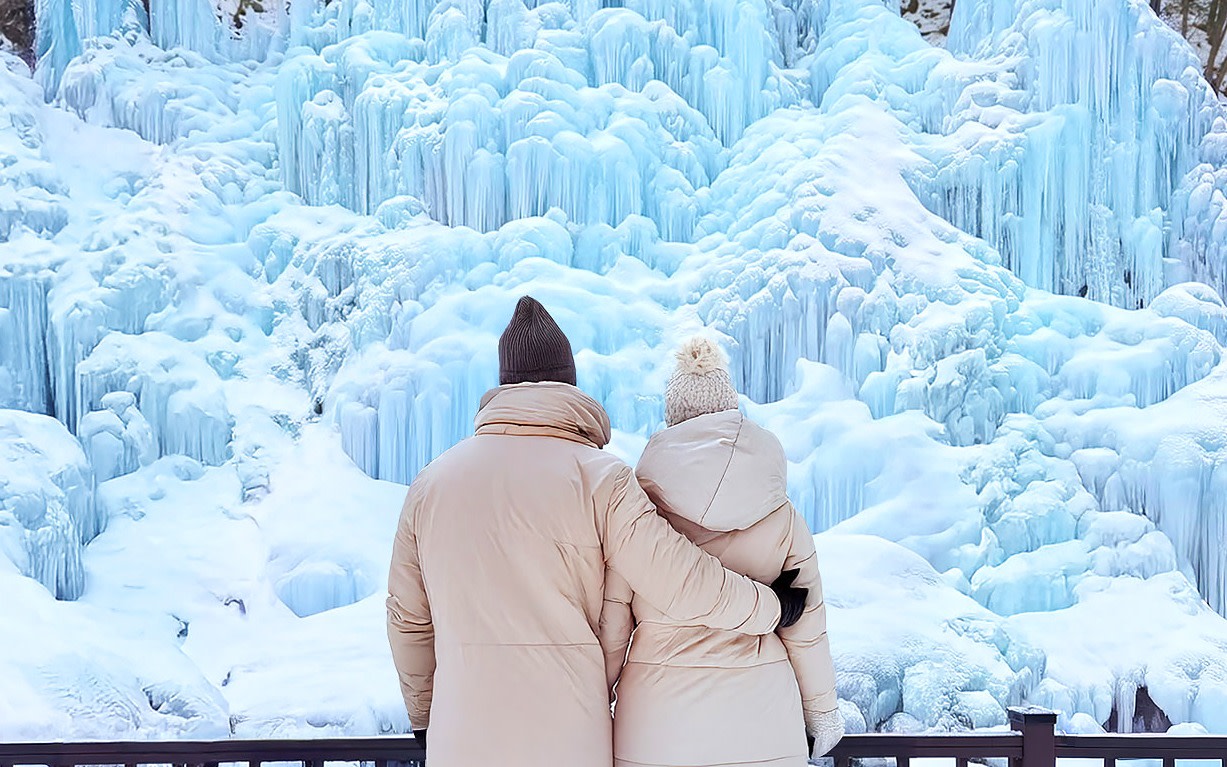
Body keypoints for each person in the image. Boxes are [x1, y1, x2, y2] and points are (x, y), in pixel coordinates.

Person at [386, 297, 808, 767]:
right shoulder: (601, 478)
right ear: (569, 381)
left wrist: (425, 718)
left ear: (503, 383)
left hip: (461, 740)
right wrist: (769, 607)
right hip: (569, 740)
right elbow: (679, 579)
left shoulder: (431, 484)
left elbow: (408, 619)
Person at [603, 337, 844, 767]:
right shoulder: (782, 515)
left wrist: (595, 702)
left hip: (659, 730)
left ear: (672, 419)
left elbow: (614, 624)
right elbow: (806, 622)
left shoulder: (639, 515)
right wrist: (822, 713)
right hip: (764, 722)